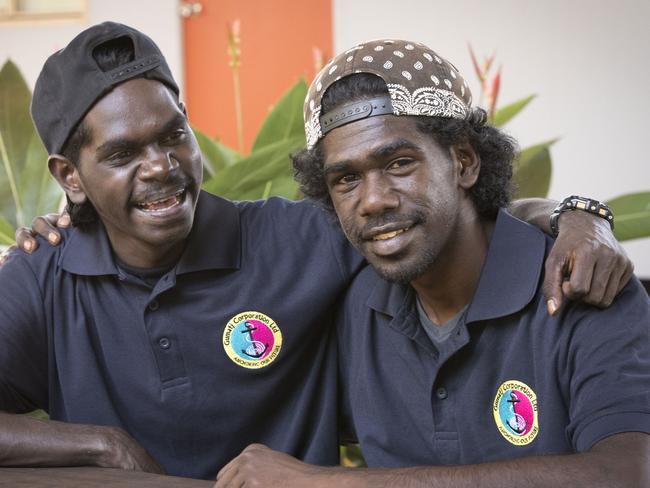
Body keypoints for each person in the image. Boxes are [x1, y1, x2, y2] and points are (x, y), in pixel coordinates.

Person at [0, 24, 632, 480]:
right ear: (69, 176)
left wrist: (581, 218)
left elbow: (447, 220)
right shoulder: (41, 276)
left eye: (174, 136)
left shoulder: (300, 240)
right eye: (121, 154)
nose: (160, 167)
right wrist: (101, 447)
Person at [214, 40, 650, 487]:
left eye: (400, 163)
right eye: (346, 179)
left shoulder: (580, 284)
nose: (374, 200)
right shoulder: (357, 305)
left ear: (464, 162)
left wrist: (328, 483)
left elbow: (628, 474)